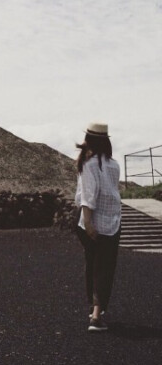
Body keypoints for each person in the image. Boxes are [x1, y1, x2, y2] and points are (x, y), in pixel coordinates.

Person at [75, 123, 121, 332]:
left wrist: (88, 224)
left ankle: (95, 311)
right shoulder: (114, 165)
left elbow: (88, 197)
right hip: (112, 222)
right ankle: (97, 312)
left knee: (93, 264)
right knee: (105, 267)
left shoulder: (88, 164)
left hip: (90, 221)